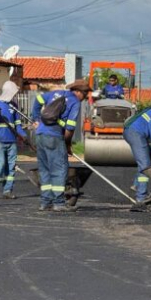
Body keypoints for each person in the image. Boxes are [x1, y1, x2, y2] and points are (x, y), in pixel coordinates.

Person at [32, 79, 90, 212]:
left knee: (45, 168)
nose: (86, 96)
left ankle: (45, 202)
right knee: (59, 169)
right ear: (78, 91)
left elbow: (38, 99)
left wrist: (36, 119)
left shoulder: (56, 93)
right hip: (54, 136)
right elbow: (69, 128)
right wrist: (67, 144)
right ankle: (58, 203)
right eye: (85, 93)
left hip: (40, 135)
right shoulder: (75, 102)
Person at [0, 81, 27, 200]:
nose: (14, 95)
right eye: (13, 93)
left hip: (12, 141)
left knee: (11, 167)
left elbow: (17, 124)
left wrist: (23, 135)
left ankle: (7, 190)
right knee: (0, 165)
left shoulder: (13, 106)